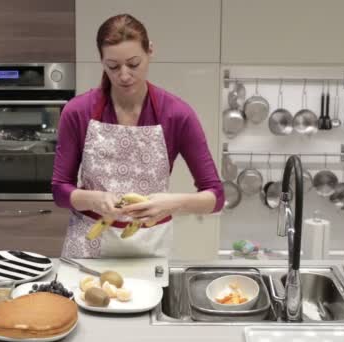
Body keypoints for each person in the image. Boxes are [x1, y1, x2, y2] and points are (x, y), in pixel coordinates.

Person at [52, 13, 224, 258]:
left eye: (133, 64)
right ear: (101, 60)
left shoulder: (177, 114)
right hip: (88, 246)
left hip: (149, 246)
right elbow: (60, 191)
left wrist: (172, 203)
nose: (123, 75)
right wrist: (93, 199)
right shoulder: (78, 111)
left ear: (150, 51)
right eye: (113, 66)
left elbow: (215, 196)